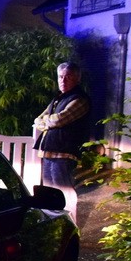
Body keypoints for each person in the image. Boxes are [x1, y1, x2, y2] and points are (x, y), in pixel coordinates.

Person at [33, 61, 92, 222]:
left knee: (63, 190)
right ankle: (53, 223)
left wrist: (46, 121)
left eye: (68, 77)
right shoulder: (58, 98)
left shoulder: (80, 99)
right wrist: (46, 120)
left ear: (77, 79)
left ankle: (70, 222)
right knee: (49, 191)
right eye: (60, 77)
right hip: (49, 151)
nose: (63, 81)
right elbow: (38, 119)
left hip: (64, 153)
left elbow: (59, 120)